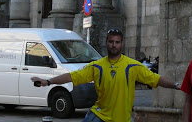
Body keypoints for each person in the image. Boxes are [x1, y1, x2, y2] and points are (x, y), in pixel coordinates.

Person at [31, 28, 180, 122]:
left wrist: (176, 85)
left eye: (117, 42)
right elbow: (72, 76)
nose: (114, 45)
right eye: (111, 42)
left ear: (122, 44)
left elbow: (156, 79)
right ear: (106, 43)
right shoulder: (97, 66)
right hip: (99, 116)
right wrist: (48, 81)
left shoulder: (133, 66)